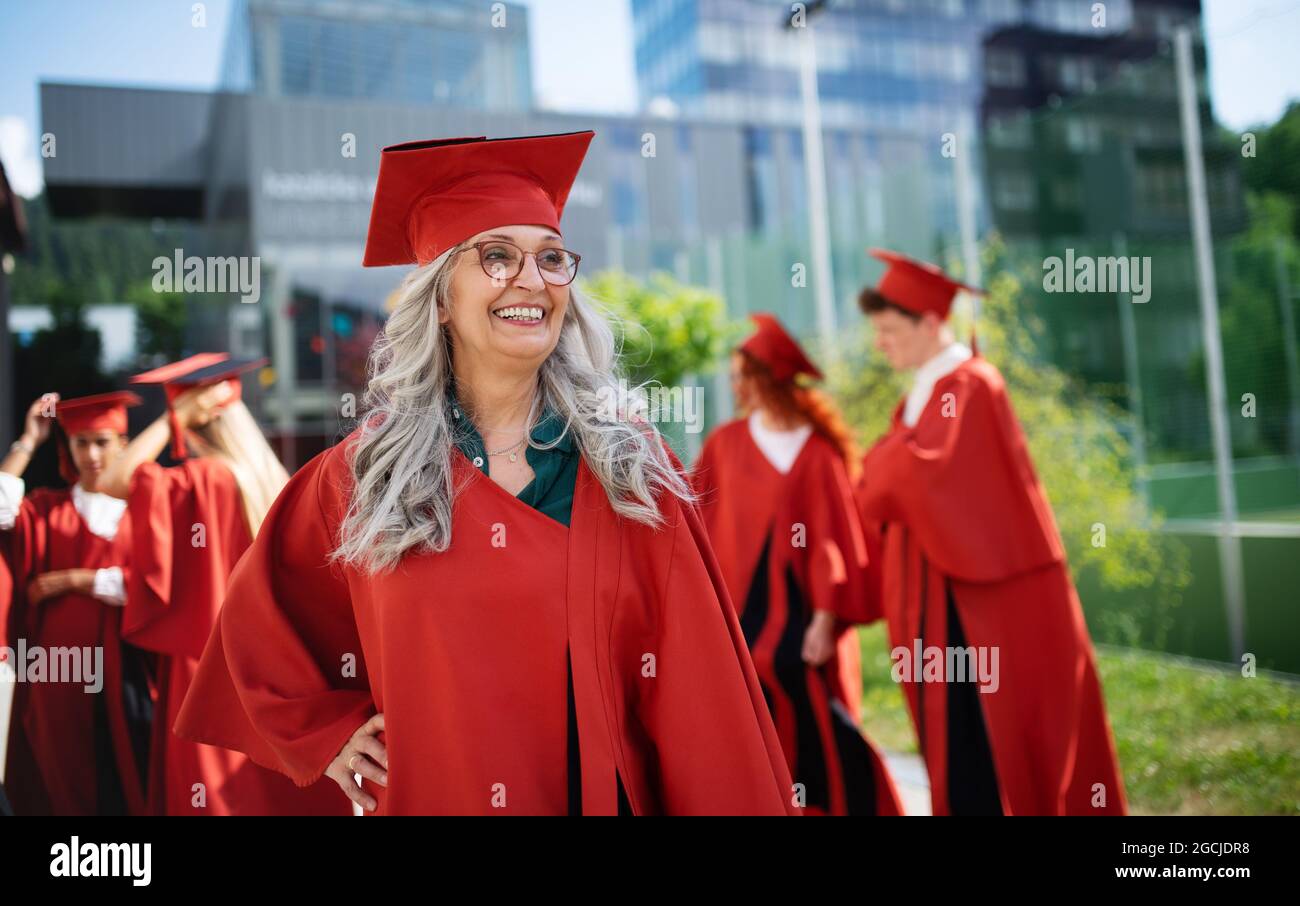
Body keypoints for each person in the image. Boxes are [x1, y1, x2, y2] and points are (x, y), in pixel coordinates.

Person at [173, 131, 798, 816]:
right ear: (440, 298)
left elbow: (703, 697)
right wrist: (327, 734)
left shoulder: (627, 468)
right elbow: (255, 633)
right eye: (496, 256)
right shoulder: (360, 478)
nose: (531, 280)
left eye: (551, 258)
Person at [854, 248, 1127, 815]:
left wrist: (885, 461)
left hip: (996, 605)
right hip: (953, 599)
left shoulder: (969, 384)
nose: (879, 343)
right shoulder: (925, 392)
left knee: (1000, 741)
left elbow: (907, 477)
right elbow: (883, 481)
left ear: (930, 322)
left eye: (887, 329)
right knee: (965, 740)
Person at [96, 357, 345, 815]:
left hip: (210, 664)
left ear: (196, 420)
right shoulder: (269, 479)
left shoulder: (206, 478)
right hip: (265, 663)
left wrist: (175, 415)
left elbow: (114, 481)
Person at [692, 314, 903, 816]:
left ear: (769, 378)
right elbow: (698, 528)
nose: (736, 383)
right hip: (740, 617)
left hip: (808, 624)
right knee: (748, 716)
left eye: (745, 372)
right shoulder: (726, 445)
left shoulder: (818, 455)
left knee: (818, 721)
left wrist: (827, 622)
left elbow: (838, 542)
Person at [0, 391, 153, 815]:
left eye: (102, 442)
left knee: (131, 773)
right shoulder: (47, 509)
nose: (91, 454)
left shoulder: (147, 506)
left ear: (123, 443)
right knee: (62, 780)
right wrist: (28, 441)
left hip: (133, 668)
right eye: (79, 442)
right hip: (60, 672)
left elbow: (159, 586)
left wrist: (76, 580)